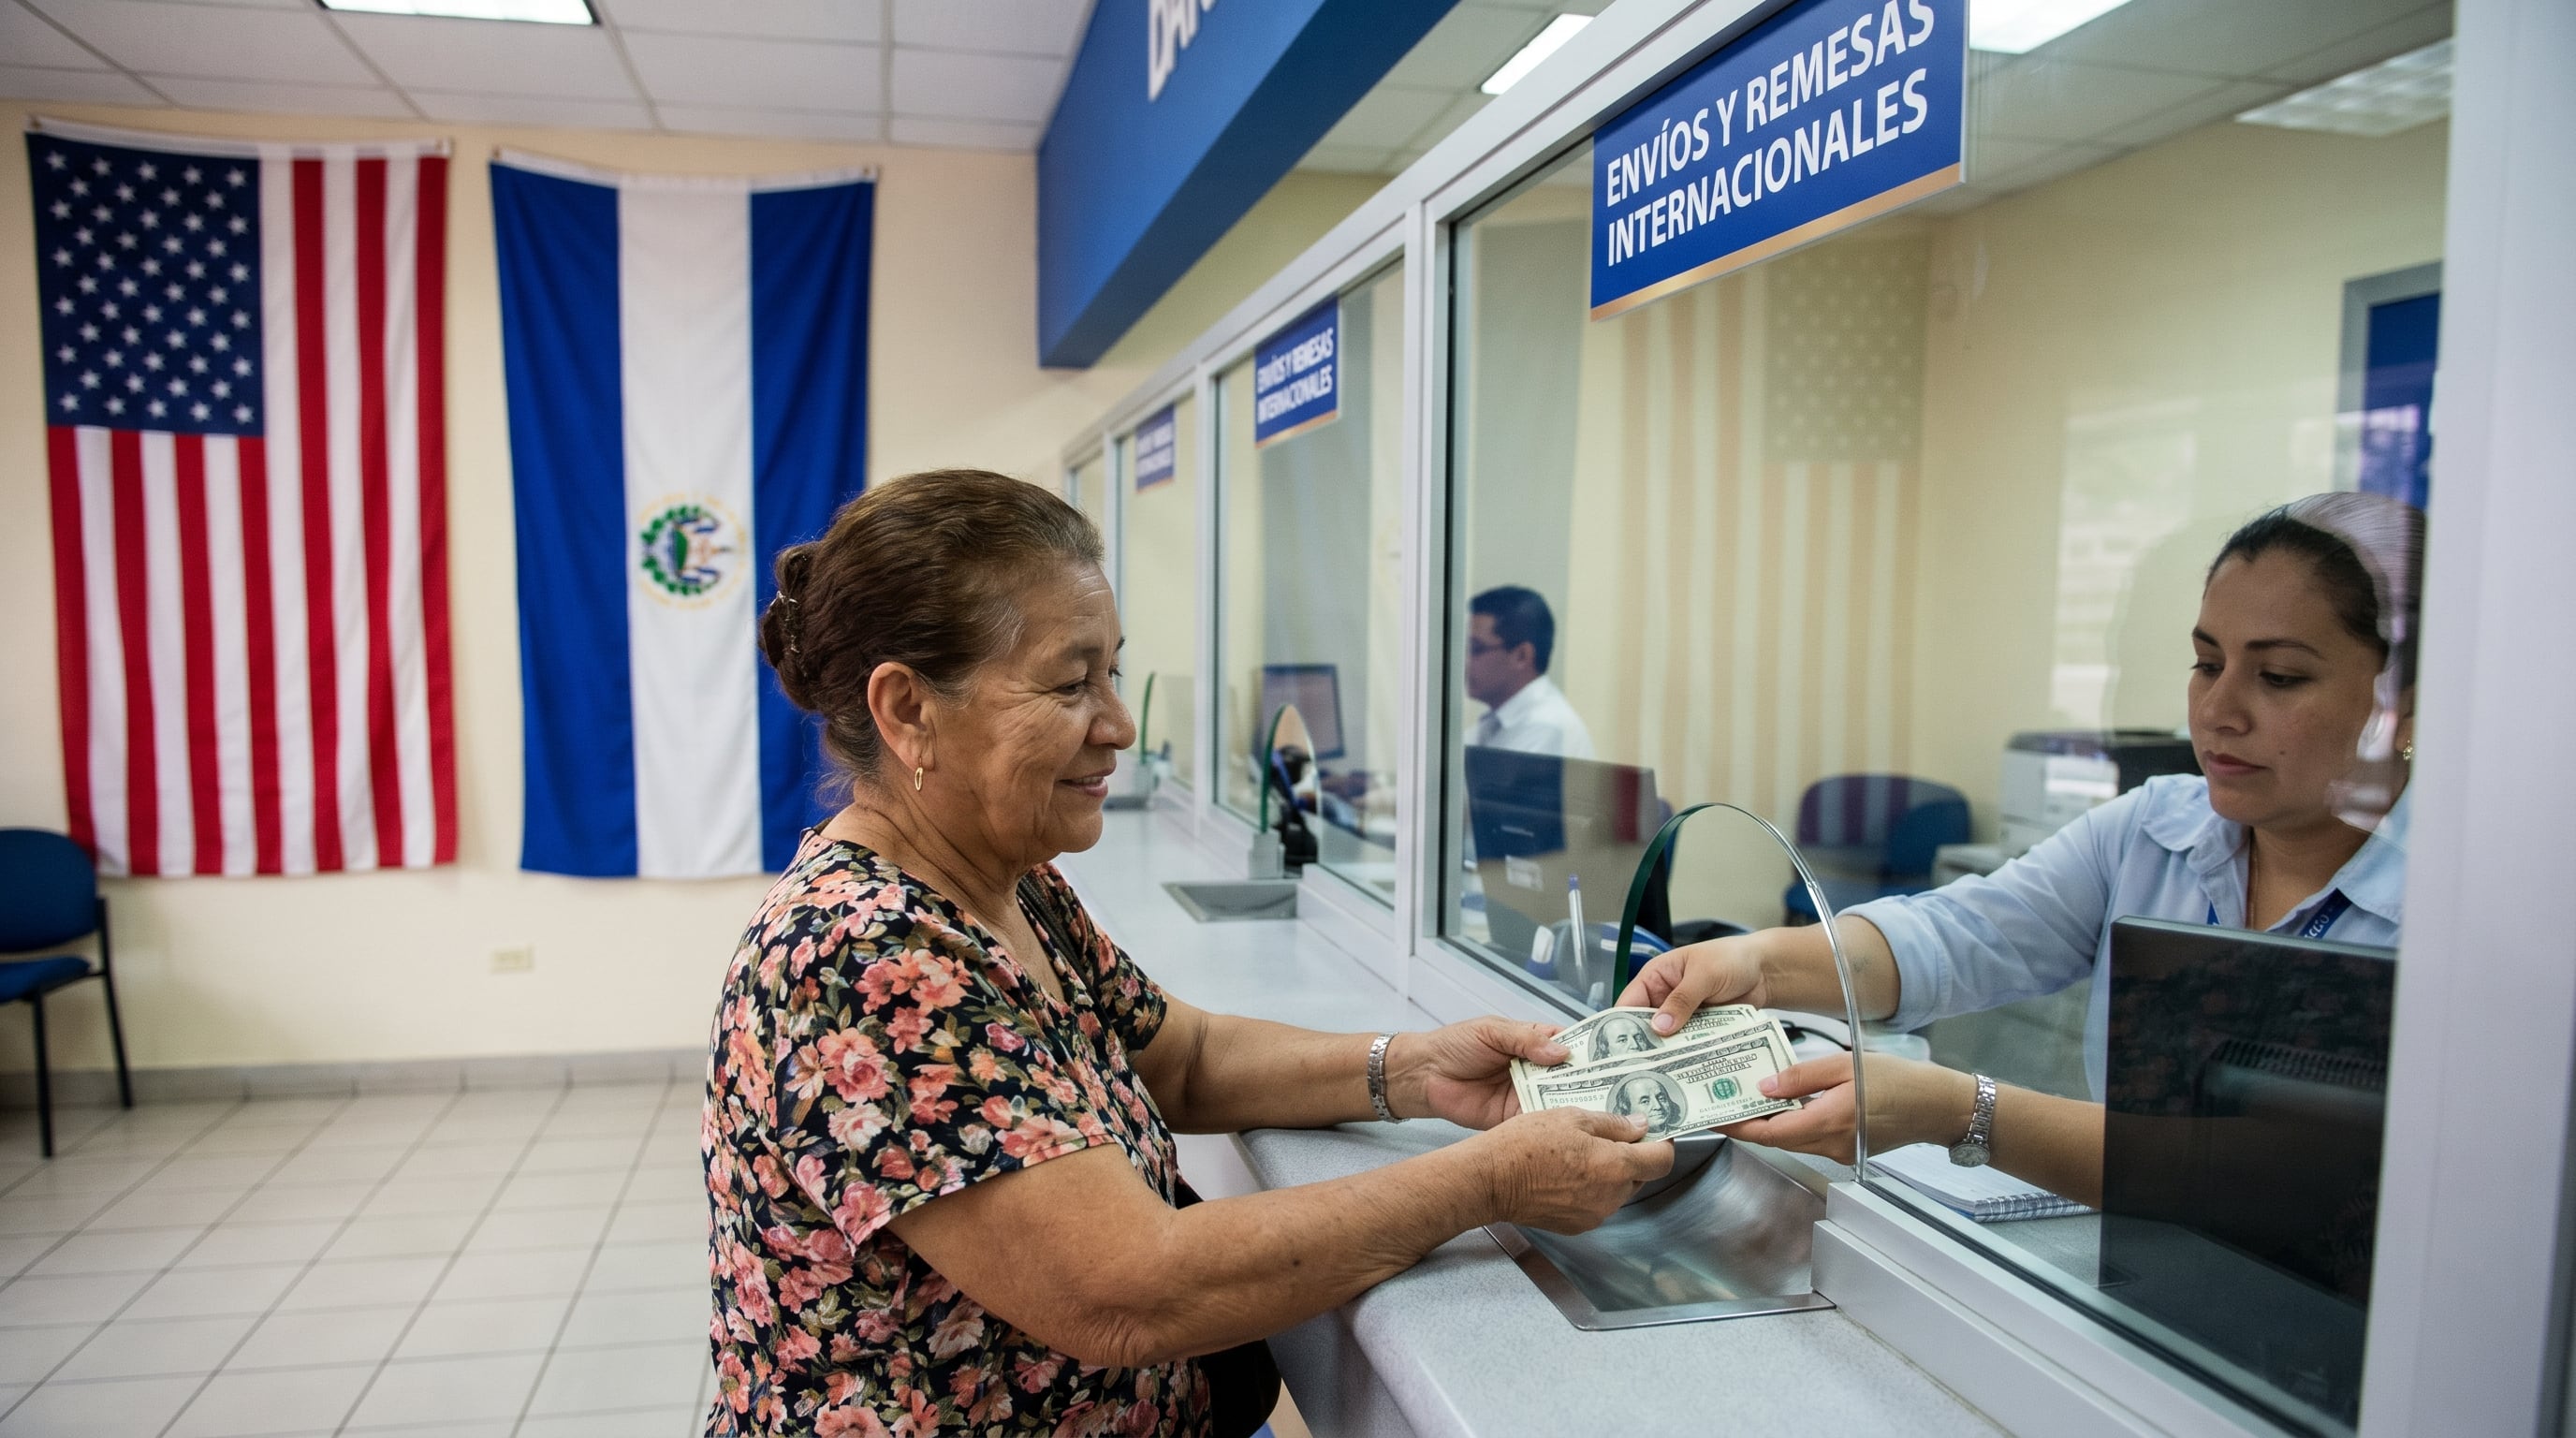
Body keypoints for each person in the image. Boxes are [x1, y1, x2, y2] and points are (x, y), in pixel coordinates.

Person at [704, 471, 1671, 1438]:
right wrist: (1489, 1180)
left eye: (1112, 673)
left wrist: (1412, 1070)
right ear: (909, 710)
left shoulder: (1010, 883)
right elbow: (1124, 1292)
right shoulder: (860, 958)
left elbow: (1181, 1056)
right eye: (1070, 682)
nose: (1119, 724)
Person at [1618, 493, 2421, 1208]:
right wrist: (1756, 964)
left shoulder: (2458, 915)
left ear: (2407, 706)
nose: (2217, 709)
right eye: (2206, 662)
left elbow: (2278, 1181)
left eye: (2278, 677)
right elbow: (1956, 936)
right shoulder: (2154, 830)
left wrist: (1959, 1108)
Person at [1466, 585, 1595, 758]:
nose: (1464, 661)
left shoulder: (1547, 726)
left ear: (1521, 656)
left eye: (1475, 648)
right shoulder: (1495, 722)